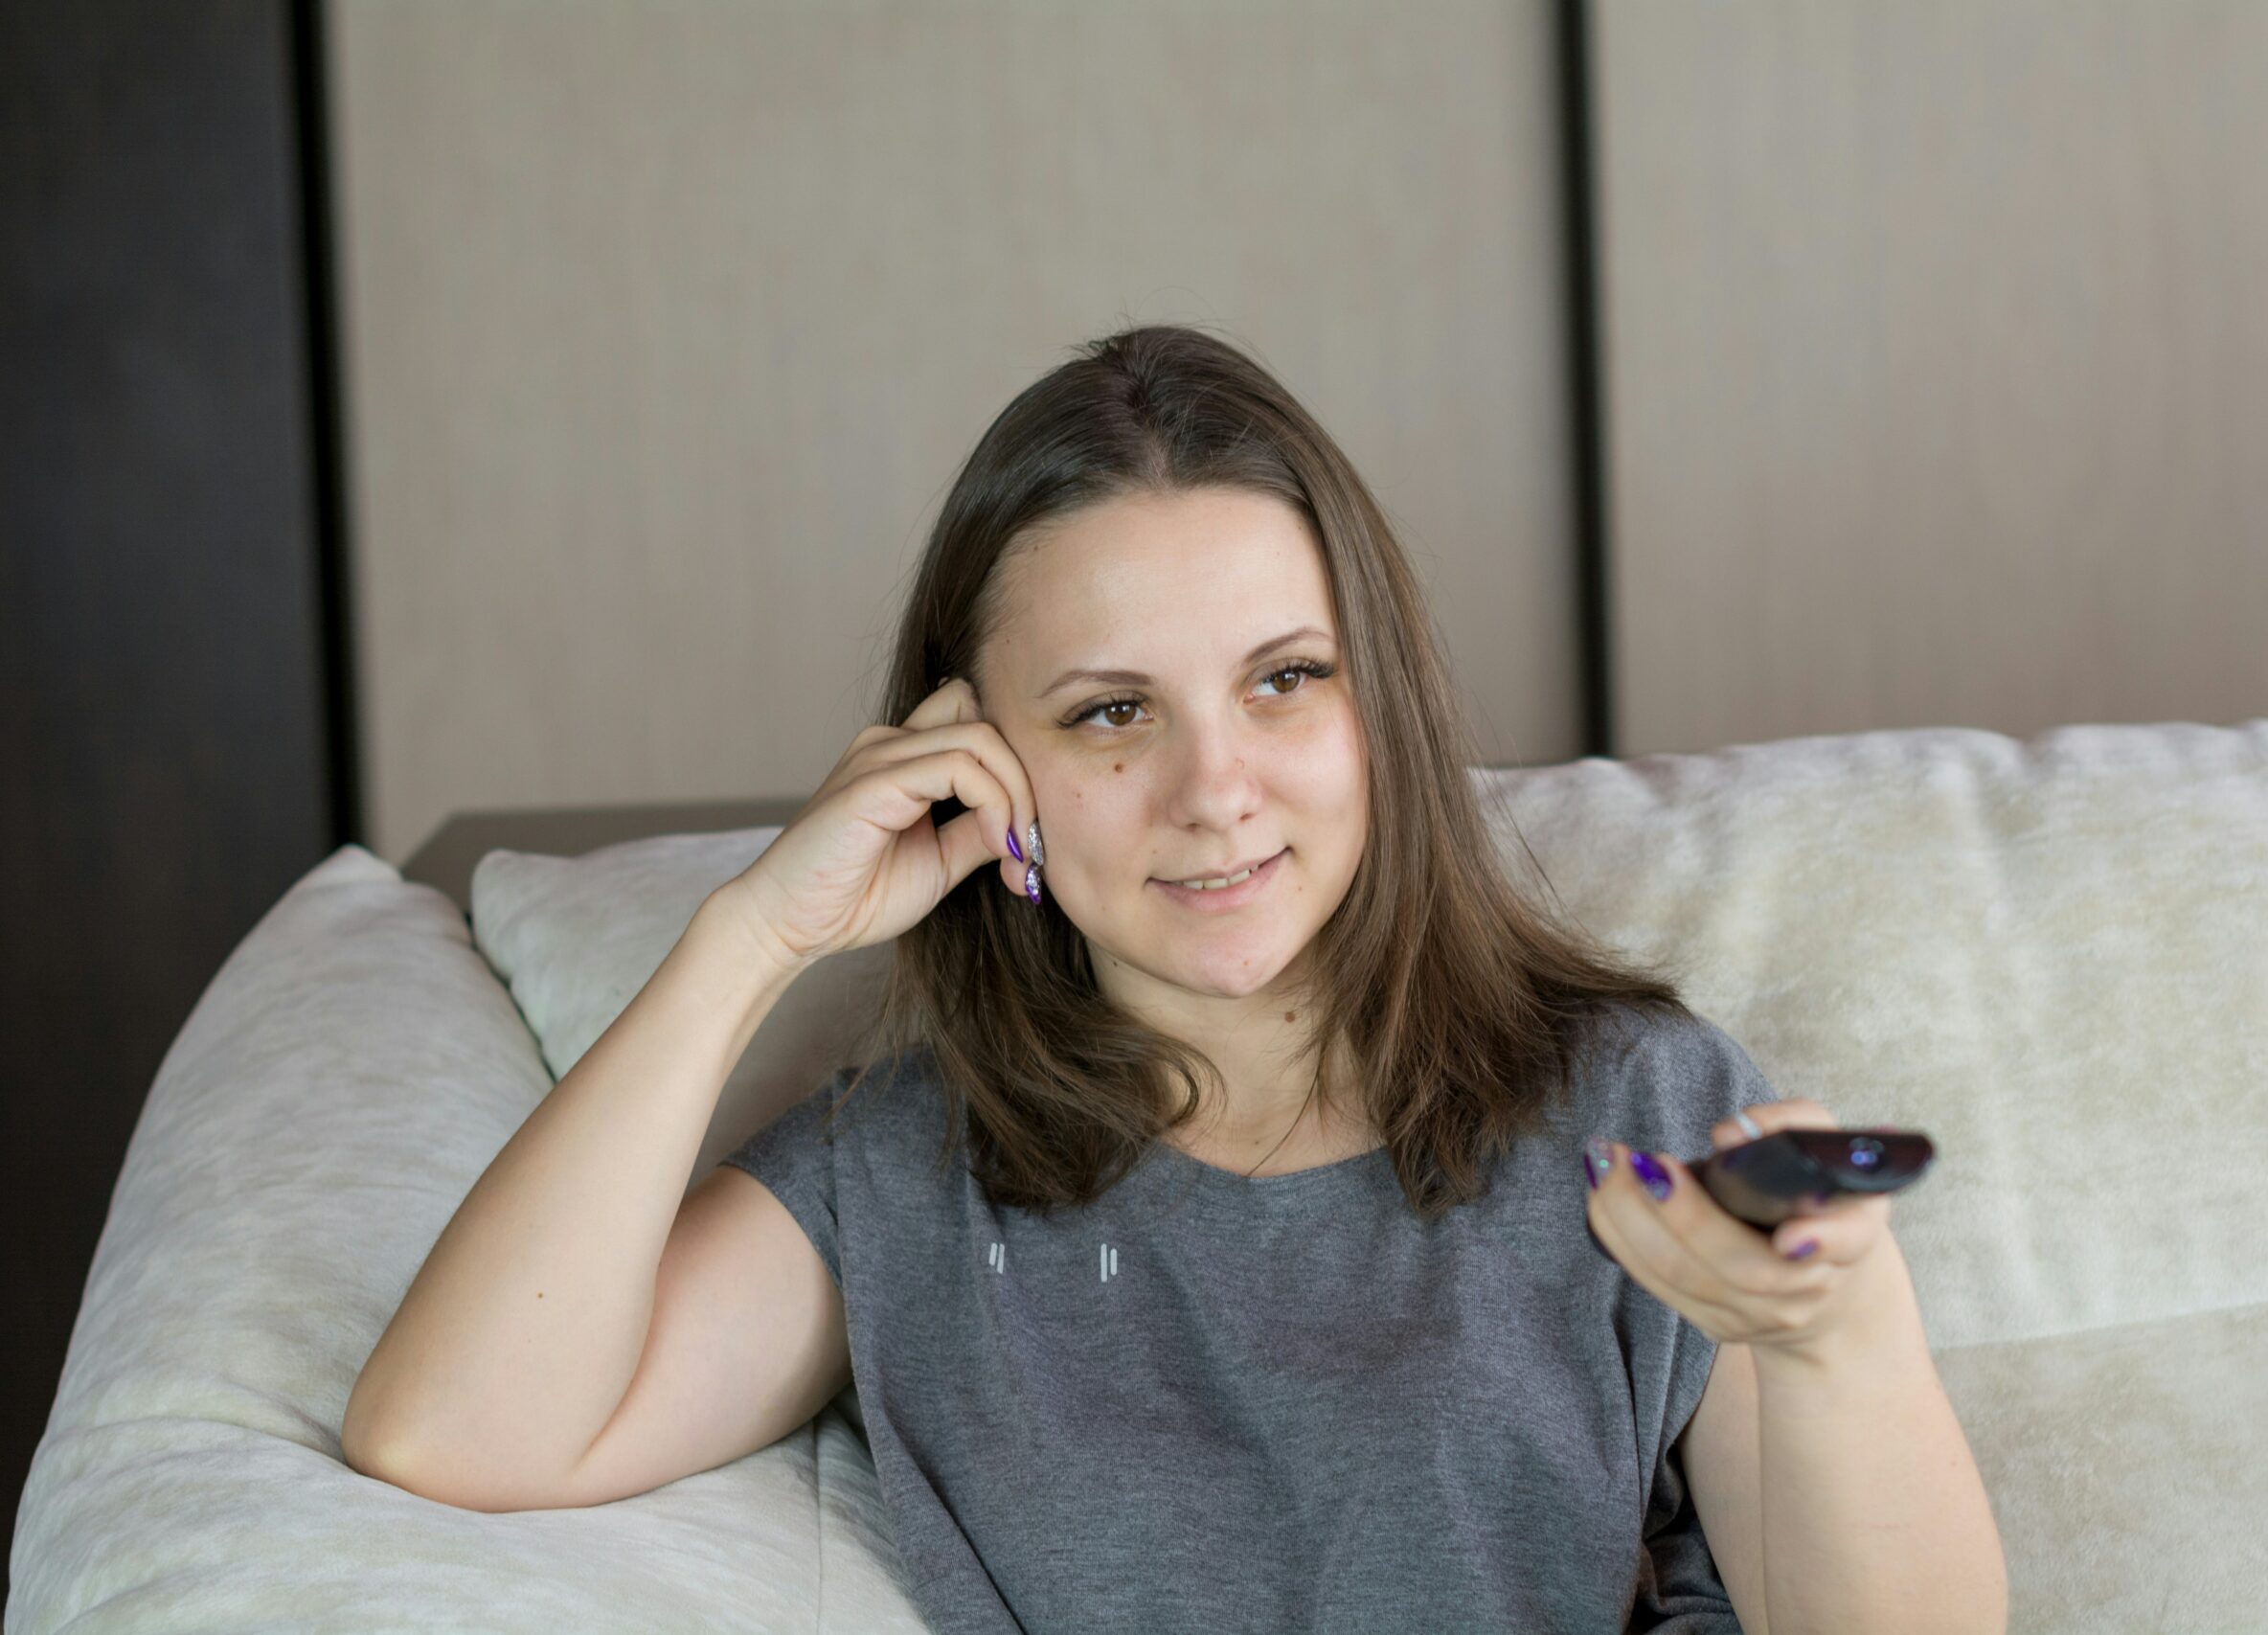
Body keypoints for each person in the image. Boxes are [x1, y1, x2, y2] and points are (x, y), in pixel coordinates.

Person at [344, 324, 2007, 1634]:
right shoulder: (912, 1175)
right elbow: (455, 1433)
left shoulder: (1633, 1108)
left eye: (1286, 680)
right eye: (1110, 712)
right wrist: (752, 939)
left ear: (1383, 711)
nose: (1216, 789)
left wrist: (1833, 1337)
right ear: (974, 761)